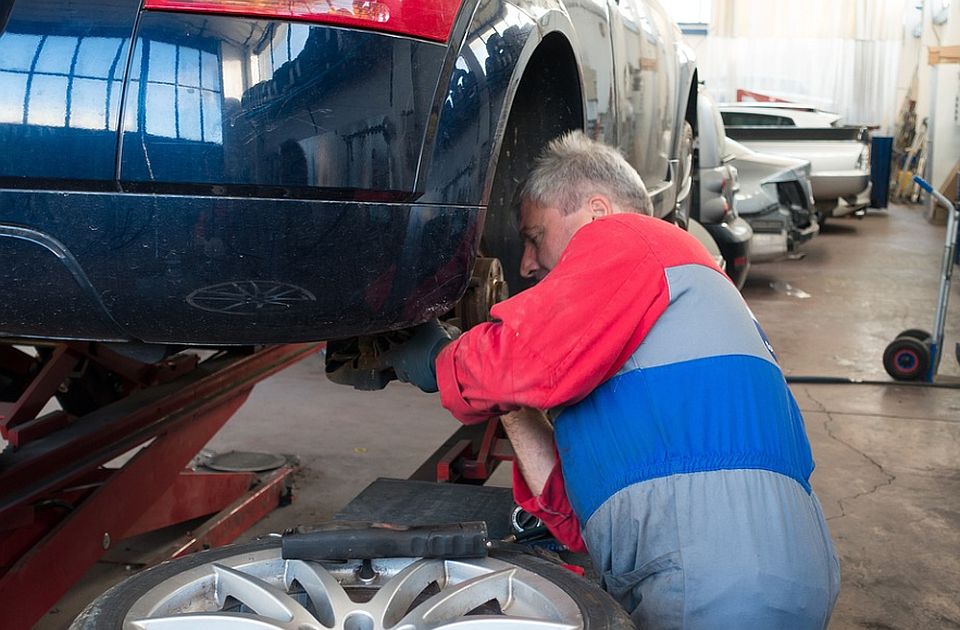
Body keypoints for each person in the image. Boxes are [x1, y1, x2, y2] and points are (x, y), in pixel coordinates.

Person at [383, 130, 840, 629]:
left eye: (535, 237)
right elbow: (577, 517)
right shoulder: (669, 303)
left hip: (718, 580)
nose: (526, 264)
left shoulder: (635, 237)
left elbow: (518, 360)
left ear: (596, 213)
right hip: (760, 576)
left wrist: (439, 358)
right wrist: (506, 401)